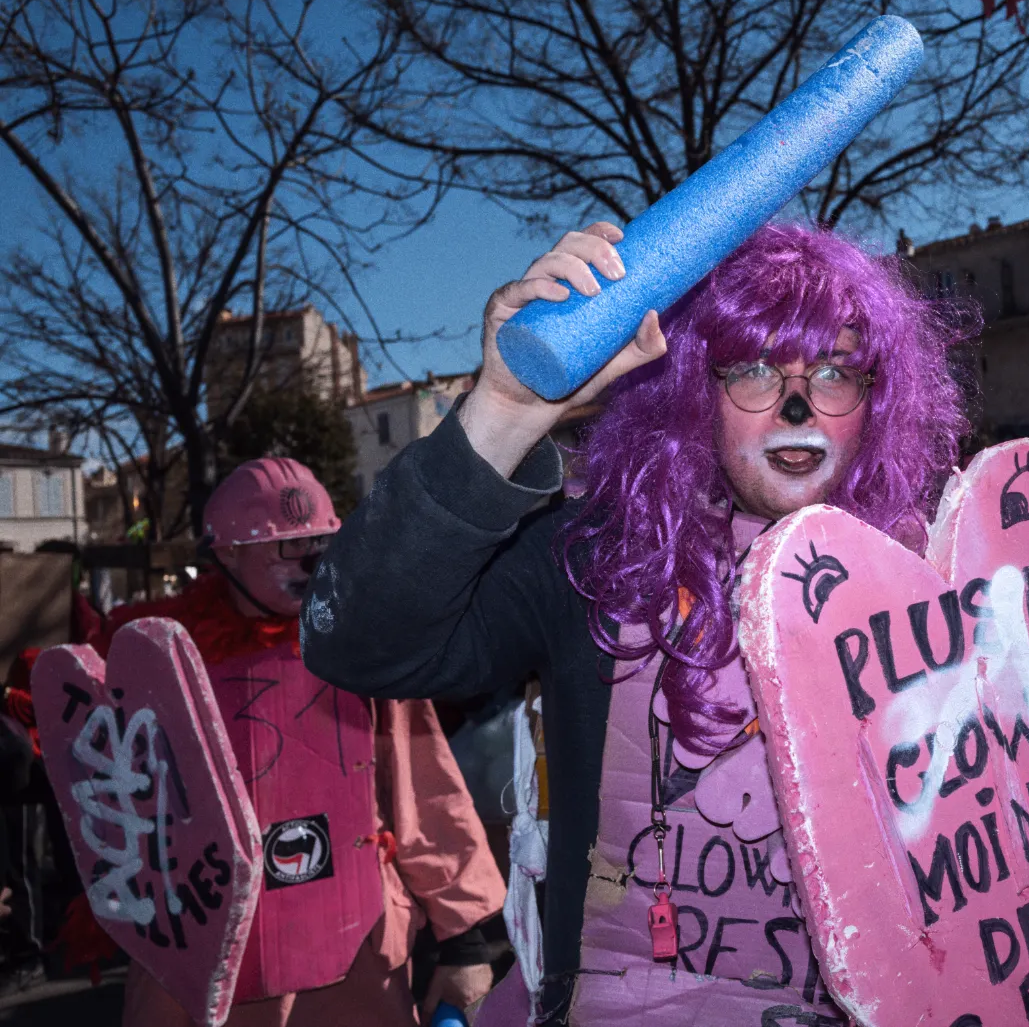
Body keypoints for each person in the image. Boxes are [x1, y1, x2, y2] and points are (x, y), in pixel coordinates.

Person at [299, 222, 974, 1024]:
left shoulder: (942, 582)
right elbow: (360, 640)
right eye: (755, 368)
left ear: (875, 401)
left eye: (834, 371)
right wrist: (505, 413)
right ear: (694, 386)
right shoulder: (598, 562)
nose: (798, 404)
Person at [104, 458, 505, 1026]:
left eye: (320, 542)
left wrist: (463, 939)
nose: (311, 562)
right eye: (286, 548)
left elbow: (425, 787)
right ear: (226, 554)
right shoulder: (163, 663)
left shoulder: (361, 647)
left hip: (352, 941)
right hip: (211, 948)